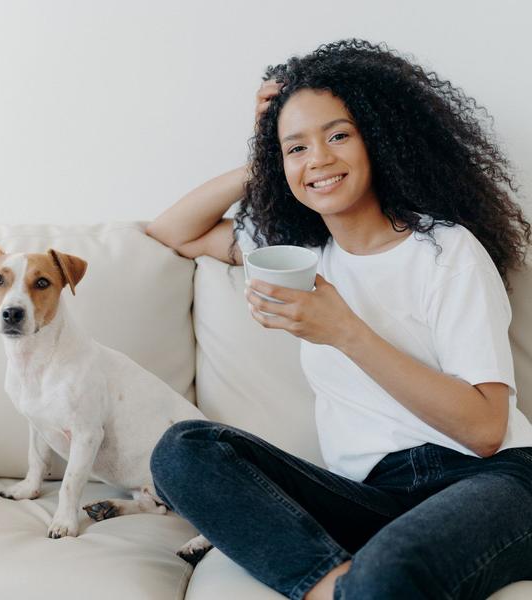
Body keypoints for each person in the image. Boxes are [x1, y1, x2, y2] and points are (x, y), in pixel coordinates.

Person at [145, 39, 532, 600]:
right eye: (296, 148)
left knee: (389, 570)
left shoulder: (446, 250)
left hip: (492, 483)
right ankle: (333, 588)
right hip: (373, 498)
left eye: (338, 135)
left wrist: (344, 330)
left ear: (378, 137)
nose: (319, 159)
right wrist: (265, 152)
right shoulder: (303, 255)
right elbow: (171, 232)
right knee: (184, 450)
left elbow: (484, 429)